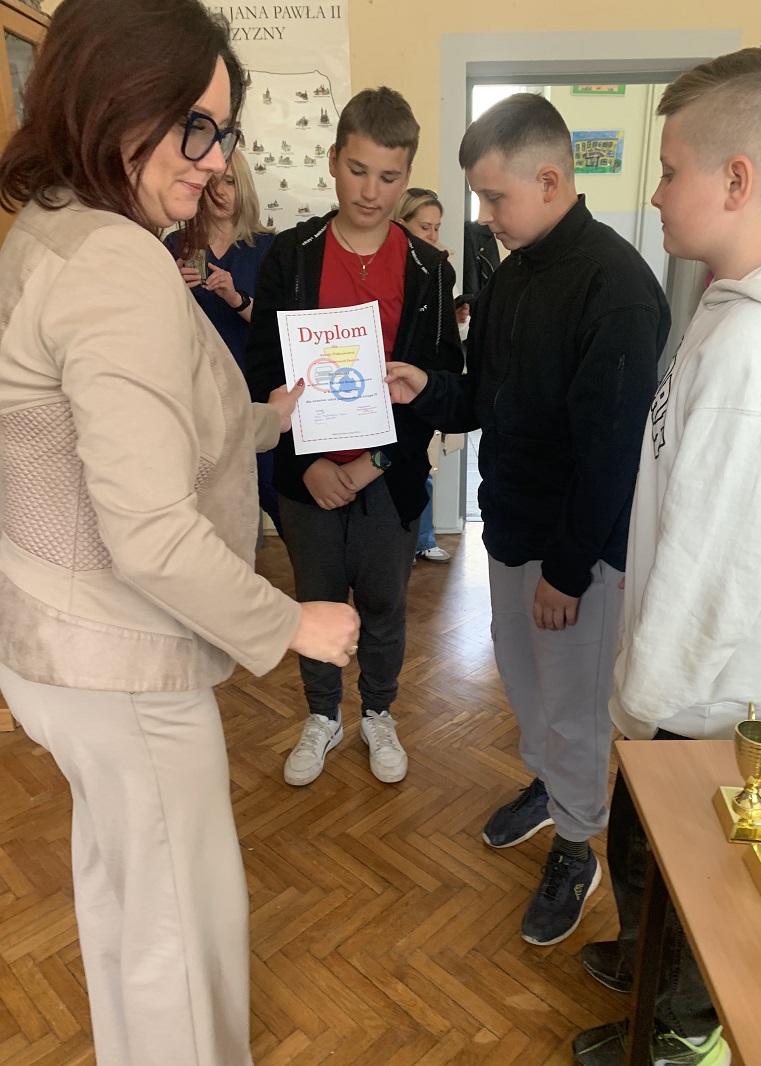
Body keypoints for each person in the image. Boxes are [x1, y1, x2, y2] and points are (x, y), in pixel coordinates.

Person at [0, 2, 359, 1063]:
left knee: (124, 897)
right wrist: (293, 621)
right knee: (181, 935)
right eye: (194, 126)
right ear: (116, 102)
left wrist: (272, 416)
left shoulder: (54, 226)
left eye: (222, 130)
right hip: (121, 658)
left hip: (58, 643)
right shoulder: (113, 260)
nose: (214, 158)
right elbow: (151, 531)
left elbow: (133, 424)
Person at [386, 92, 670, 947]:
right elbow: (483, 397)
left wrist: (567, 572)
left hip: (573, 554)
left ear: (548, 180)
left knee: (576, 705)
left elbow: (611, 455)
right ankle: (551, 788)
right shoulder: (510, 275)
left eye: (493, 197)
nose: (484, 215)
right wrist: (425, 389)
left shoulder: (617, 288)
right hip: (508, 529)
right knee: (527, 684)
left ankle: (578, 847)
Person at [574, 42, 761, 1066]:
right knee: (643, 857)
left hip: (707, 698)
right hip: (683, 684)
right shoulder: (726, 307)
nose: (657, 192)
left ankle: (676, 1034)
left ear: (737, 180)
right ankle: (645, 962)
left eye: (670, 170)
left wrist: (644, 702)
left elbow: (720, 565)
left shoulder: (759, 351)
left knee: (691, 872)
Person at [246, 87, 464, 788]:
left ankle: (376, 711)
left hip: (387, 477)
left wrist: (376, 461)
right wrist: (308, 461)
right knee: (315, 600)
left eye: (389, 176)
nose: (371, 192)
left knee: (383, 603)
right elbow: (264, 371)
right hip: (306, 476)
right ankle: (322, 715)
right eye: (359, 170)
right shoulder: (292, 255)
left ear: (408, 175)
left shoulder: (429, 270)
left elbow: (436, 383)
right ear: (334, 160)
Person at [165, 149, 282, 533]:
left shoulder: (267, 248)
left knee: (271, 489)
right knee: (208, 500)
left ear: (243, 187)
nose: (220, 192)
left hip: (255, 389)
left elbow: (280, 327)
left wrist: (236, 298)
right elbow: (157, 324)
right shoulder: (176, 245)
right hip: (197, 394)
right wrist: (173, 292)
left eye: (229, 182)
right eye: (213, 182)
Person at [394, 186, 463, 564]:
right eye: (425, 227)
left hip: (420, 387)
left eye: (437, 228)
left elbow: (443, 337)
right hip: (391, 385)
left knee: (420, 462)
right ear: (400, 222)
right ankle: (408, 540)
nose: (433, 236)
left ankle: (420, 537)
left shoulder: (440, 269)